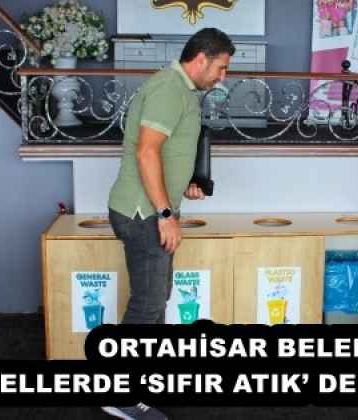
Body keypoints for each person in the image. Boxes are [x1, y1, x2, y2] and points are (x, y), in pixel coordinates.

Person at [104, 27, 234, 420]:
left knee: (156, 300)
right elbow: (147, 152)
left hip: (153, 212)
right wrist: (164, 213)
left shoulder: (182, 91)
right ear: (201, 59)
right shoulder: (168, 89)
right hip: (144, 214)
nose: (223, 76)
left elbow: (167, 152)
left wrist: (185, 184)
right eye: (221, 67)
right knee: (146, 305)